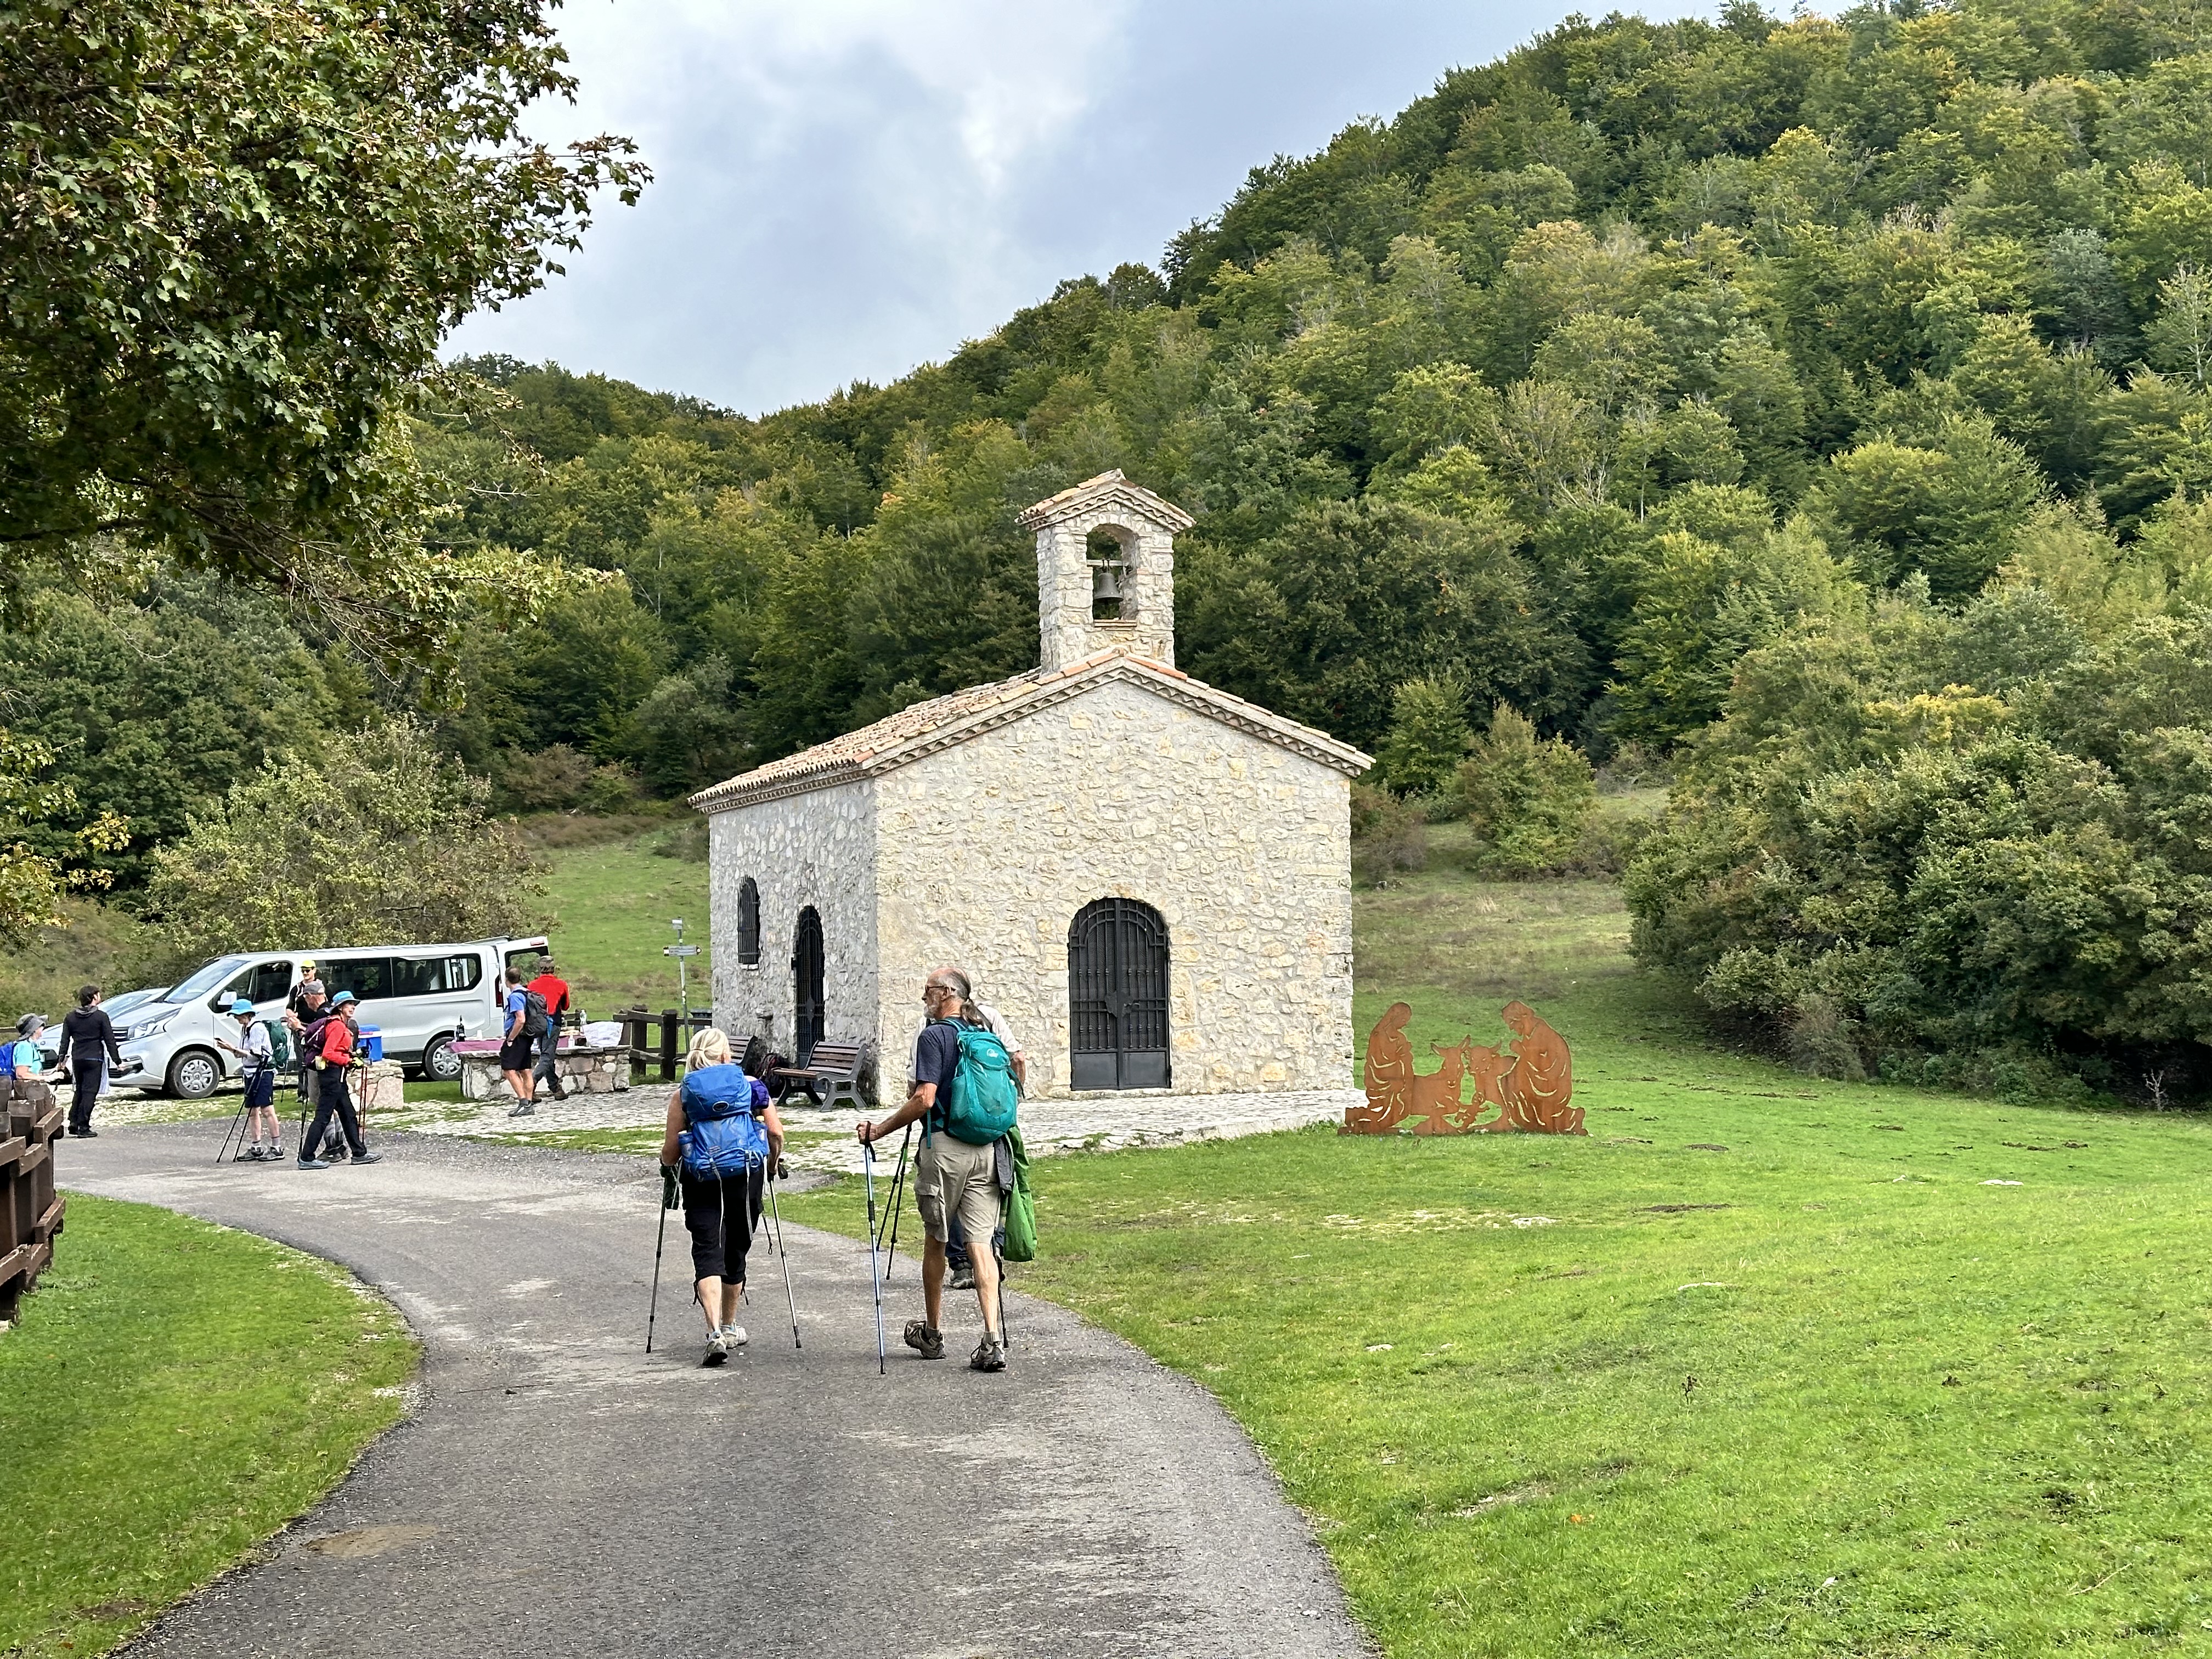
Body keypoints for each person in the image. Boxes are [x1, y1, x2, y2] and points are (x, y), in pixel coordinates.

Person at [855, 967, 1008, 1373]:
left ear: (945, 993)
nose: (924, 997)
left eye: (928, 991)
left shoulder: (933, 1036)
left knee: (937, 1240)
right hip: (988, 1149)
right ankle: (993, 1339)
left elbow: (924, 1099)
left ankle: (934, 1333)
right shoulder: (985, 1033)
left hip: (944, 1148)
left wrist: (880, 1130)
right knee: (981, 1244)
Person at [659, 1026, 784, 1367]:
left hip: (701, 1179)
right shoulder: (752, 1086)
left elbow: (671, 1153)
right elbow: (775, 1132)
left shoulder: (684, 1094)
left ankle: (714, 1332)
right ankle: (730, 1325)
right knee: (737, 1244)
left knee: (706, 1249)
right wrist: (772, 1164)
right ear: (727, 1057)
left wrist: (665, 1163)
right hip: (746, 1176)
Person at [941, 984, 1022, 1291]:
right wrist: (1010, 1104)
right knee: (996, 1185)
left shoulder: (936, 1029)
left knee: (952, 1197)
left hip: (954, 1122)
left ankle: (962, 1264)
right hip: (996, 1121)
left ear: (949, 993)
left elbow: (917, 1084)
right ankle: (992, 1251)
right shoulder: (991, 1017)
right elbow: (1019, 1059)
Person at [300, 990, 381, 1170]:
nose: (352, 1007)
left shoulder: (337, 1024)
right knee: (323, 1117)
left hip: (336, 1076)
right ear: (340, 1008)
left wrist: (350, 1058)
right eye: (349, 1004)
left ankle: (359, 1153)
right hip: (332, 1077)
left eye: (353, 1004)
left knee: (348, 1115)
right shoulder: (336, 1026)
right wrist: (349, 1060)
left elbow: (335, 1052)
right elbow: (328, 1053)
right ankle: (306, 1157)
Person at [217, 997, 283, 1160]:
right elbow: (245, 1054)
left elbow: (256, 1054)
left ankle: (276, 1148)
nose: (236, 1018)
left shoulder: (257, 1028)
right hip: (250, 1072)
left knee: (267, 1109)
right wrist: (232, 1049)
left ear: (248, 1014)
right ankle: (256, 1147)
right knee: (252, 1111)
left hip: (262, 1072)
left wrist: (232, 1048)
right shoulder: (245, 1028)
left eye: (238, 1015)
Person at [58, 985, 121, 1138]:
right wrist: (117, 1061)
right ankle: (83, 1126)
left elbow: (65, 1040)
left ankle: (73, 1122)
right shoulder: (100, 1017)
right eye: (98, 995)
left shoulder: (71, 1017)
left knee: (79, 1090)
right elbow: (109, 1040)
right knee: (90, 1092)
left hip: (78, 1057)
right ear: (94, 997)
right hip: (94, 1057)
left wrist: (61, 1059)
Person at [526, 957, 573, 1102]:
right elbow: (565, 1006)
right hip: (553, 1023)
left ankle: (556, 1088)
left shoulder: (532, 985)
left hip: (536, 1024)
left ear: (540, 969)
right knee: (547, 1056)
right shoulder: (561, 985)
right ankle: (530, 1084)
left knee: (547, 1055)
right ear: (554, 968)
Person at [499, 966, 536, 1116]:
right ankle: (529, 1102)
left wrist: (511, 1038)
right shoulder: (527, 992)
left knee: (508, 1070)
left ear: (507, 980)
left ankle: (524, 1102)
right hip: (527, 1036)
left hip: (518, 1037)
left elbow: (520, 1019)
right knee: (525, 1070)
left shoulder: (515, 996)